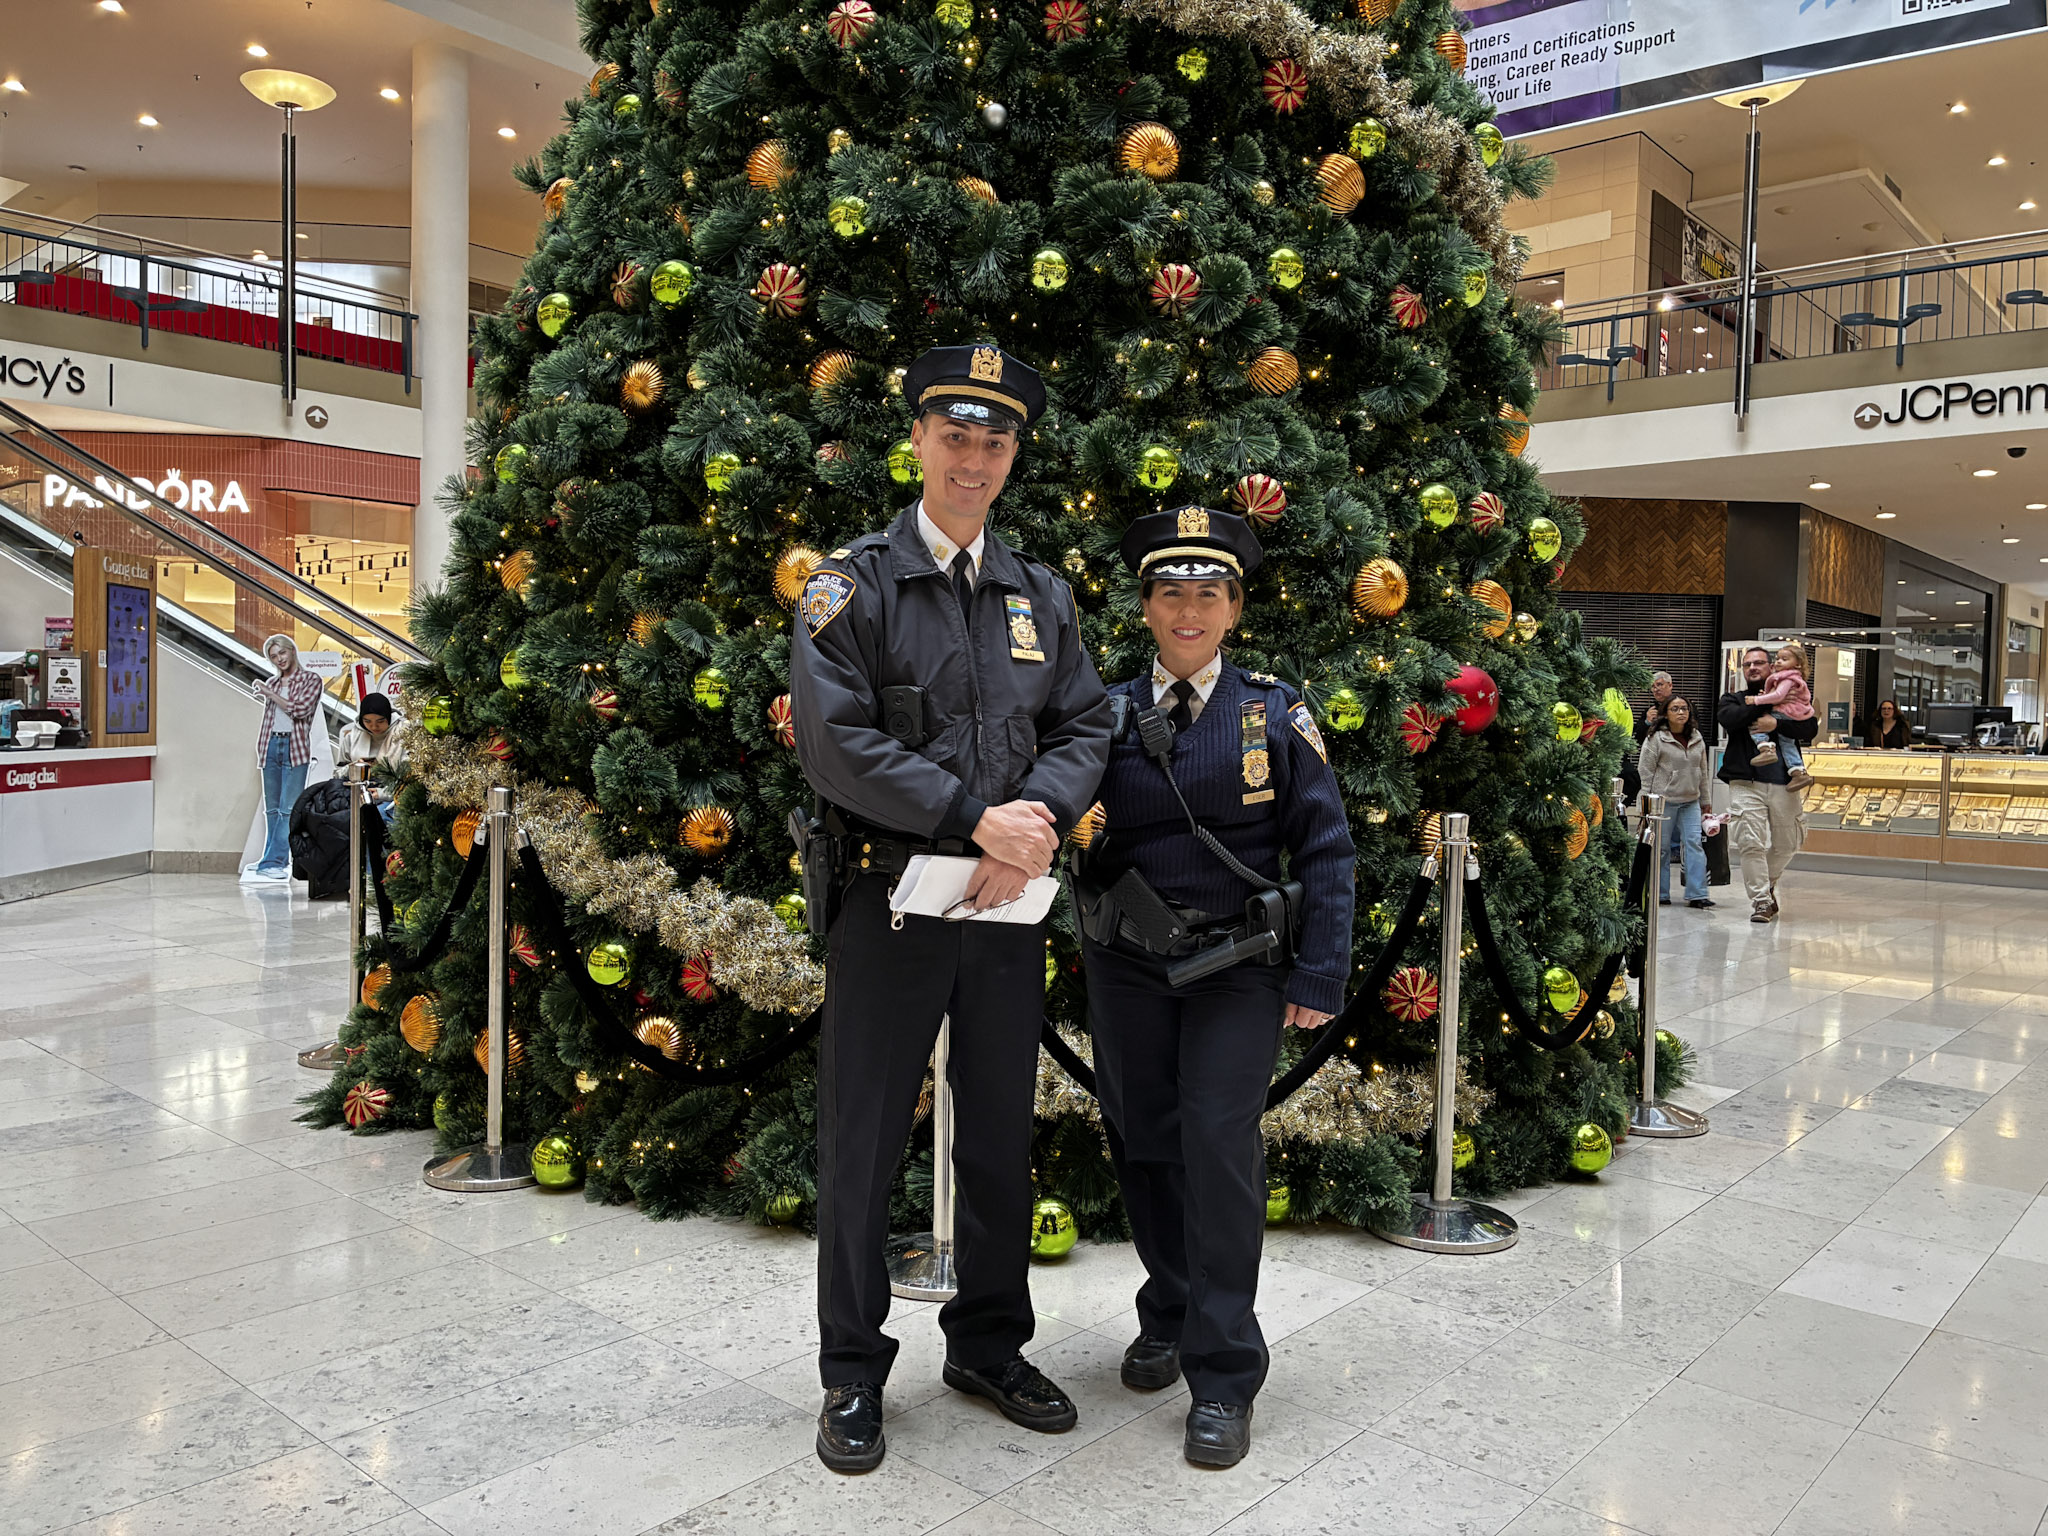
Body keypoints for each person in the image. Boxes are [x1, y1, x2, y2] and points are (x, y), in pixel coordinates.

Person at [789, 344, 1113, 1476]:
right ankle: (850, 1371)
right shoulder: (853, 585)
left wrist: (1034, 827)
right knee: (864, 1140)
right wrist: (978, 821)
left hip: (1005, 907)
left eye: (996, 442)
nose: (974, 460)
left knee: (997, 1135)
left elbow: (1085, 723)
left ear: (1014, 455)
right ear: (919, 440)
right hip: (889, 900)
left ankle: (986, 1345)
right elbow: (835, 743)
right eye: (956, 436)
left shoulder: (1040, 595)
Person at [1071, 507, 1354, 1469]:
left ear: (1234, 608)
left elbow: (1326, 847)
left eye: (1207, 593)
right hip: (1129, 967)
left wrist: (1319, 970)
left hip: (1239, 970)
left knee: (1219, 1146)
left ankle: (1226, 1372)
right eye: (1169, 592)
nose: (1187, 609)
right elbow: (1068, 824)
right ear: (1146, 606)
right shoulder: (1106, 713)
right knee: (1145, 1142)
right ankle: (1171, 1309)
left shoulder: (1274, 711)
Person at [1719, 646, 1818, 924]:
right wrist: (1765, 702)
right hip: (1745, 781)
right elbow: (1730, 719)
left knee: (1789, 843)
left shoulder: (1791, 694)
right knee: (1750, 842)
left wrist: (1776, 723)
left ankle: (1768, 882)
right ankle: (1761, 900)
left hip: (1785, 782)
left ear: (1771, 666)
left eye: (1759, 663)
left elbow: (1809, 728)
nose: (1752, 667)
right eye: (1747, 664)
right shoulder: (1735, 699)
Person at [242, 634, 325, 883]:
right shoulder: (273, 682)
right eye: (273, 656)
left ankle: (274, 861)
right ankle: (272, 860)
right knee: (272, 808)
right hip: (270, 745)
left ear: (292, 651)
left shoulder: (311, 679)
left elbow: (300, 710)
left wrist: (269, 692)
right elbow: (269, 720)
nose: (279, 659)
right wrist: (262, 747)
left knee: (288, 809)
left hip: (294, 747)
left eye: (282, 653)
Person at [1638, 695, 1713, 909]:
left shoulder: (1696, 736)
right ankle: (1660, 893)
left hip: (1690, 801)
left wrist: (1706, 801)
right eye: (1675, 709)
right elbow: (1645, 771)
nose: (1681, 712)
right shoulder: (1656, 738)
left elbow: (1703, 771)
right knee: (1661, 849)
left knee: (1694, 844)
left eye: (1684, 708)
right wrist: (1645, 804)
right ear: (1666, 713)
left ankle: (1698, 894)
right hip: (1663, 802)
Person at [1744, 645, 1815, 790]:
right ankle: (1797, 771)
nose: (1779, 662)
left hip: (1784, 712)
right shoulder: (1793, 678)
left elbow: (1778, 696)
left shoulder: (1787, 678)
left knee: (1756, 725)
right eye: (1777, 658)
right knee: (1787, 743)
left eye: (1784, 659)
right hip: (1793, 714)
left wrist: (1756, 700)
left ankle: (1765, 748)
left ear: (1798, 664)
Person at [339, 692, 409, 826]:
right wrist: (354, 768)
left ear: (388, 718)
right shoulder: (352, 737)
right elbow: (337, 773)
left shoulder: (402, 734)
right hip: (354, 795)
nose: (374, 726)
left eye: (380, 721)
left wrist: (382, 794)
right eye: (367, 721)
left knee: (374, 819)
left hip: (391, 799)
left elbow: (411, 781)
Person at [1637, 671, 1674, 742]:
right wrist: (1647, 723)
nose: (1656, 689)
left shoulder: (1683, 707)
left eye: (1659, 684)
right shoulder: (1650, 711)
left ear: (1670, 685)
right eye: (1653, 686)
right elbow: (1638, 739)